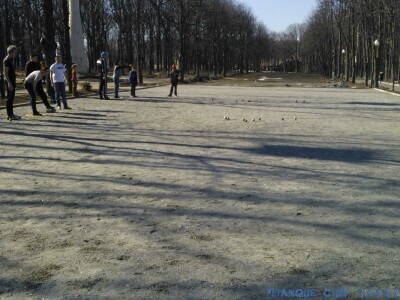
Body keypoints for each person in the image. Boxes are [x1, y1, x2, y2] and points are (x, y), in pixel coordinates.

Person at [3, 45, 21, 121]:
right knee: (9, 98)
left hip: (12, 81)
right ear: (11, 52)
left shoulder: (10, 59)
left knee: (11, 98)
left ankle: (11, 114)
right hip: (9, 82)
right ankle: (10, 115)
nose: (16, 53)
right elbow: (5, 73)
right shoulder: (6, 60)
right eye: (15, 51)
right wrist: (9, 83)